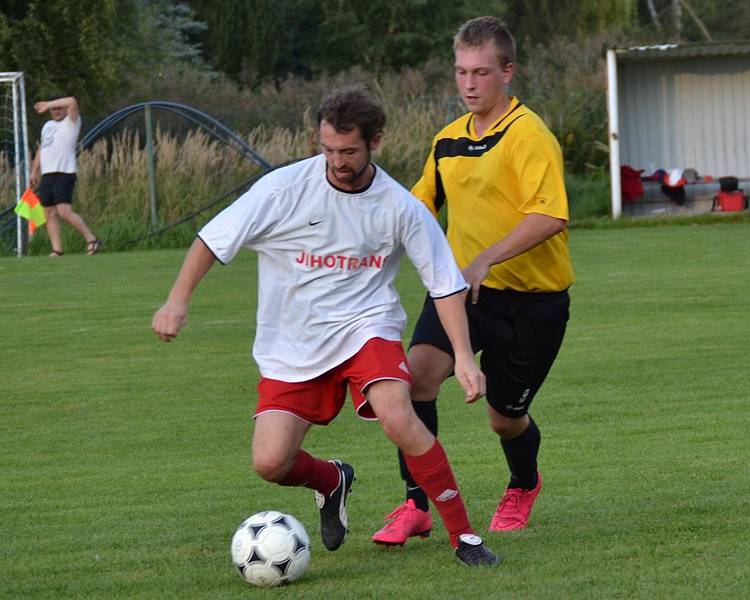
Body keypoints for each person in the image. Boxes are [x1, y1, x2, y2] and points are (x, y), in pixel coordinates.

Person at [151, 86, 500, 567]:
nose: (337, 161)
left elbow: (443, 284)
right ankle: (332, 480)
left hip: (366, 327)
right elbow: (214, 239)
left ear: (375, 142)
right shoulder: (283, 190)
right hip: (291, 344)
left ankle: (465, 537)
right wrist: (177, 299)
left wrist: (462, 356)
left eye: (349, 151)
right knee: (270, 463)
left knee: (399, 418)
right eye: (329, 149)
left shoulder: (400, 206)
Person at [372, 16, 575, 546]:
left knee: (504, 420)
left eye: (481, 72)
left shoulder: (530, 136)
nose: (468, 83)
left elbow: (550, 215)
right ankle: (416, 504)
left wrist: (484, 258)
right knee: (415, 377)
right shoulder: (447, 141)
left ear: (507, 73)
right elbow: (418, 206)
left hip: (535, 302)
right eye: (461, 72)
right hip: (463, 294)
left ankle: (523, 483)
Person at [29, 96, 101, 257]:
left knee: (64, 211)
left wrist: (47, 104)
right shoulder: (47, 125)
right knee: (49, 212)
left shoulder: (72, 122)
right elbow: (43, 149)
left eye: (58, 108)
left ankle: (91, 239)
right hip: (47, 174)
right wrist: (34, 171)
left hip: (65, 172)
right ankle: (57, 249)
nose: (55, 111)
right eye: (53, 109)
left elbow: (73, 101)